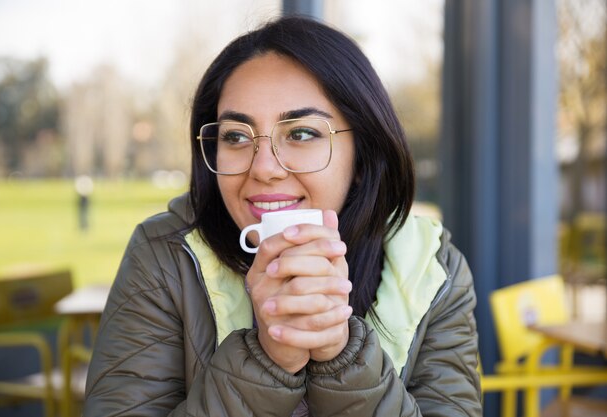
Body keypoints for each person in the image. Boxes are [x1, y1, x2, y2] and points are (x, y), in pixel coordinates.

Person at [84, 16, 482, 417]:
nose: (264, 168)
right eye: (236, 136)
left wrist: (340, 357)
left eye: (301, 133)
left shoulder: (432, 271)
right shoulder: (165, 256)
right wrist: (267, 362)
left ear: (362, 153)